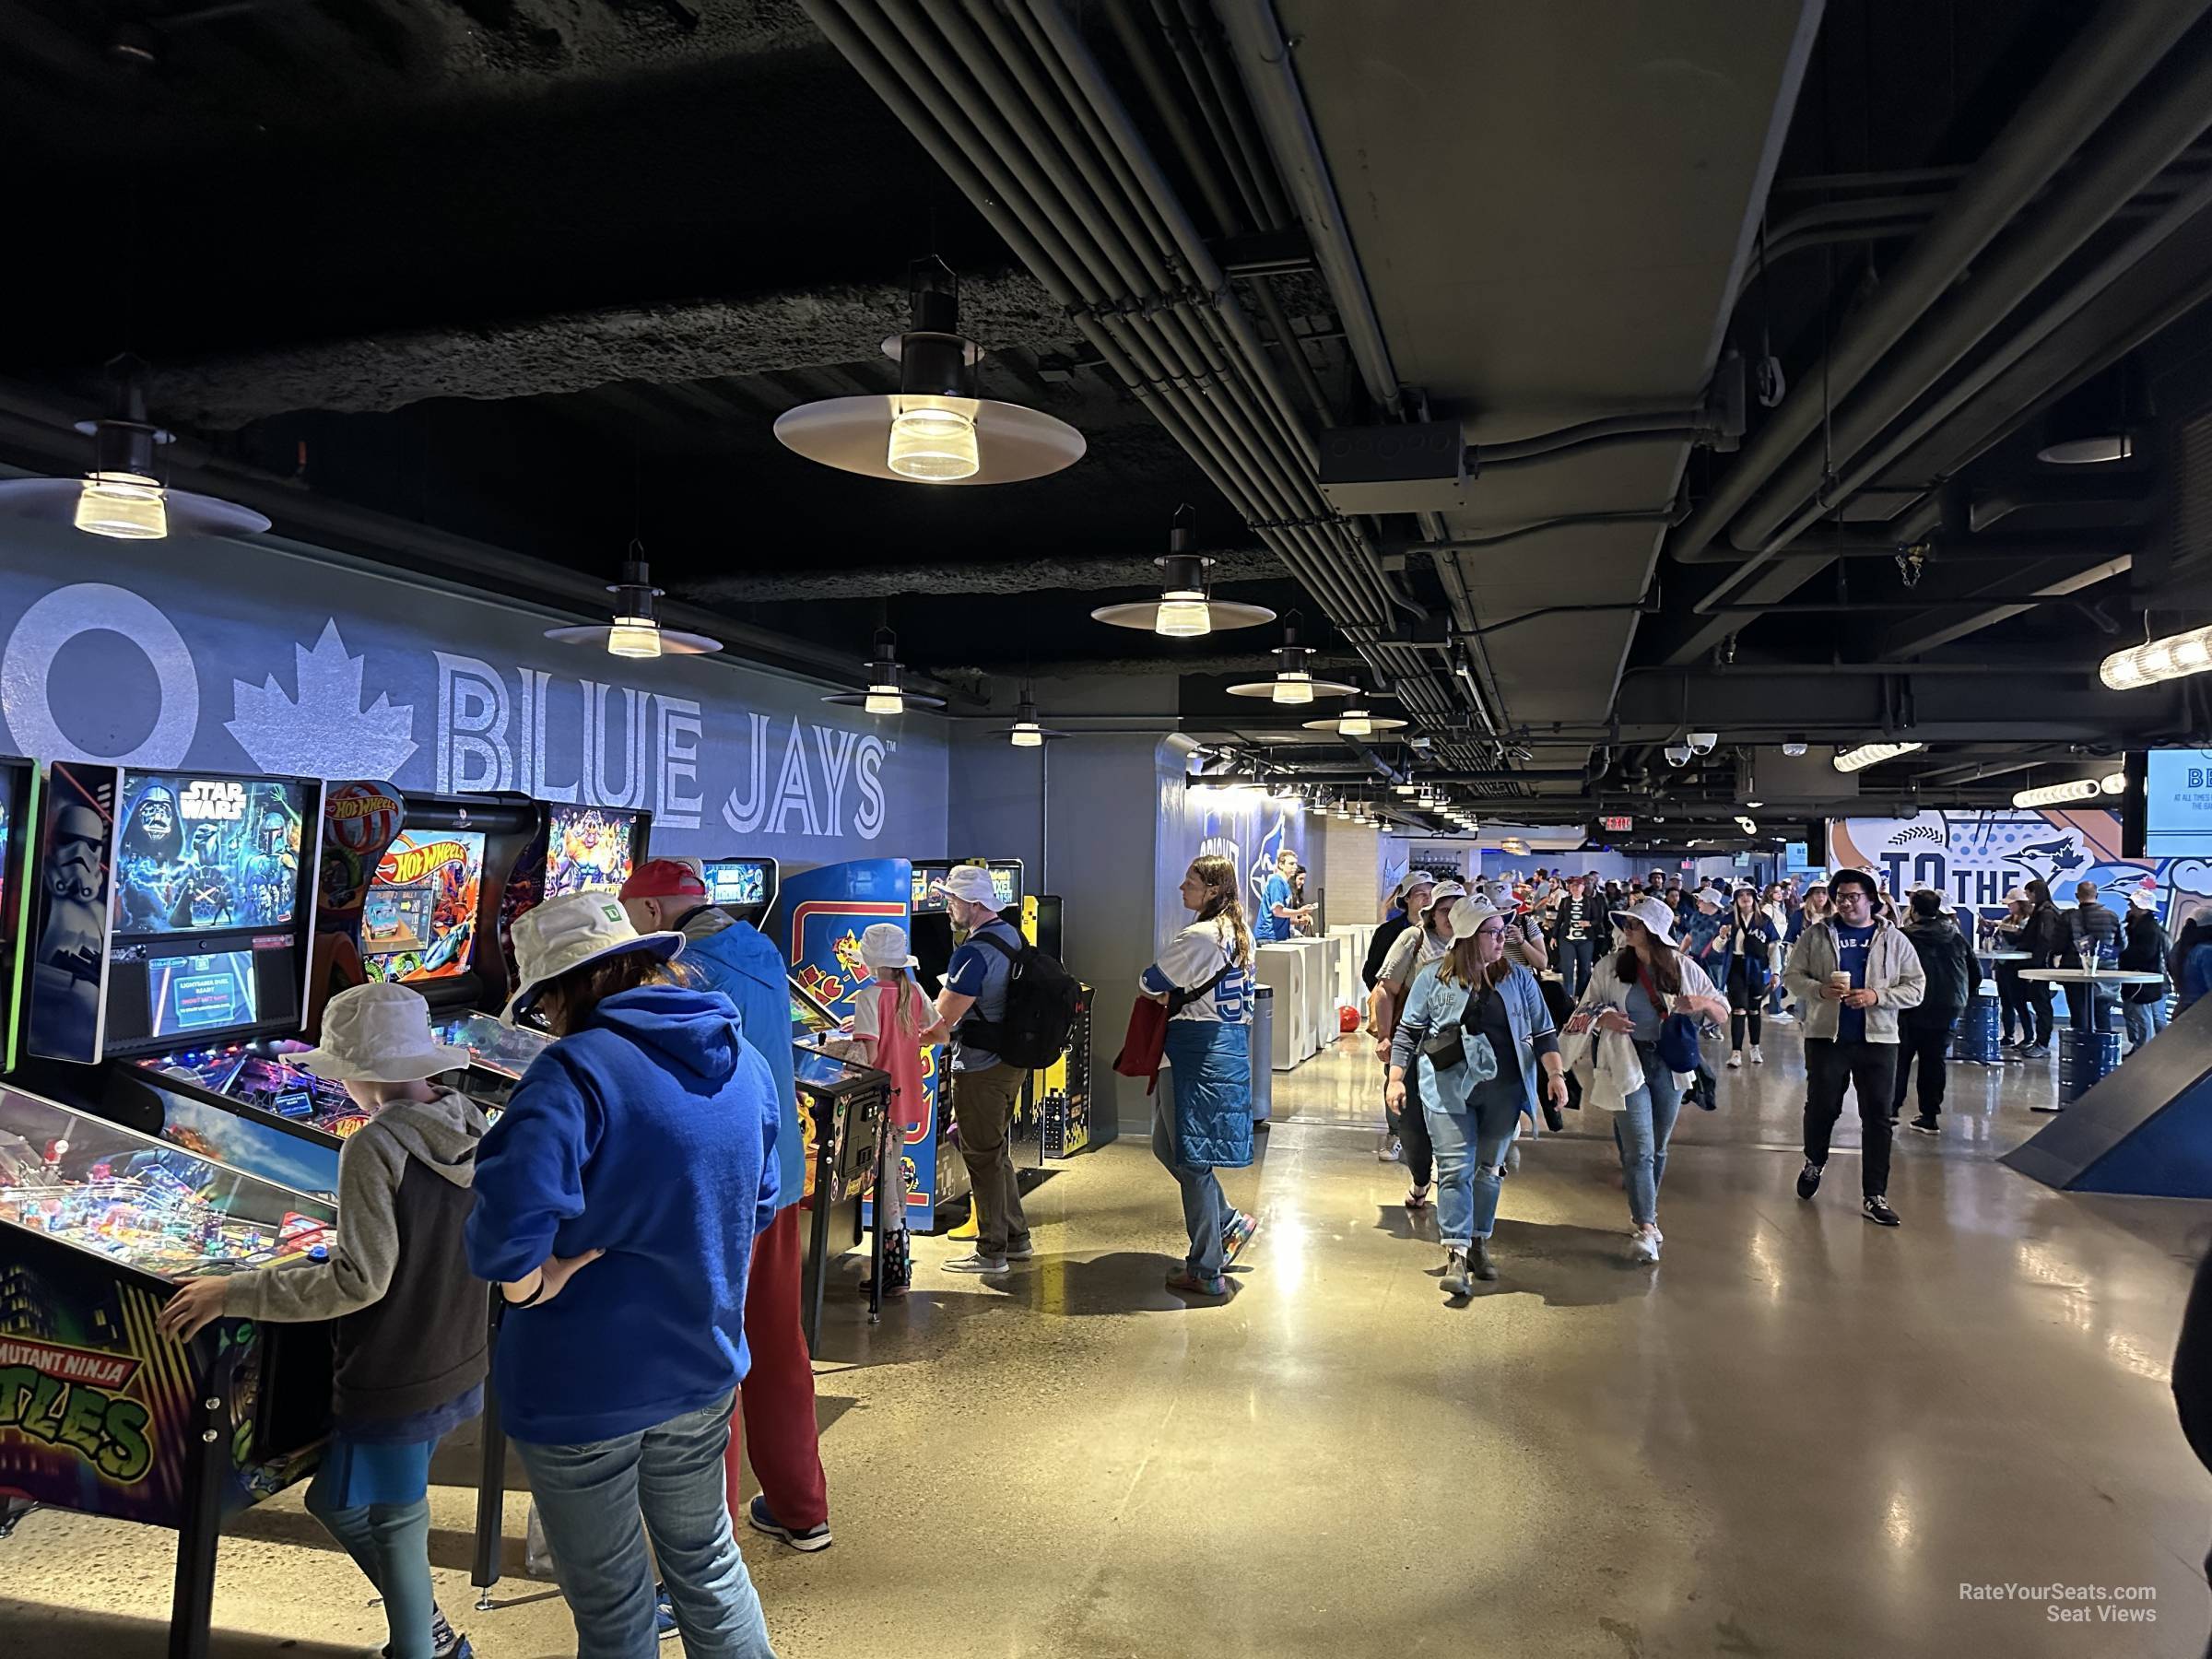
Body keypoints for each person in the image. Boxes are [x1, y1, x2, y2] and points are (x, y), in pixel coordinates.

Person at [465, 893, 780, 1658]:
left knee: (611, 1606)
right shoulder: (745, 1057)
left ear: (565, 988)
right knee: (708, 1565)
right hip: (701, 1364)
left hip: (583, 1385)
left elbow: (505, 1242)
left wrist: (535, 1282)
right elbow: (761, 1203)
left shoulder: (570, 1072)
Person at [159, 982, 487, 1659]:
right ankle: (428, 1628)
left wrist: (234, 1292)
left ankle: (419, 1648)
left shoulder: (374, 1148)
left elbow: (358, 1281)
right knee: (334, 1502)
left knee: (397, 1520)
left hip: (395, 1367)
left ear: (362, 1074)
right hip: (454, 1351)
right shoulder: (471, 1121)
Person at [618, 859, 831, 1557]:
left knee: (711, 1359)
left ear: (651, 913)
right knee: (776, 1344)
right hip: (779, 1172)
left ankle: (711, 1543)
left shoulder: (684, 971)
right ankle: (803, 1508)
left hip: (719, 1187)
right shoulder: (759, 947)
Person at [1386, 899, 1566, 1292]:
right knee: (1453, 1169)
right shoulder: (1433, 978)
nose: (1503, 939)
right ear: (1468, 936)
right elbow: (1408, 1031)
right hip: (1448, 1090)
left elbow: (1542, 1031)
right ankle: (1456, 1253)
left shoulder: (1519, 979)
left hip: (1503, 1092)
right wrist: (1396, 1078)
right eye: (1494, 933)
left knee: (1488, 1171)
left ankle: (1480, 1241)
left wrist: (1554, 1073)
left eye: (1504, 931)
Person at [1564, 896, 1727, 1263]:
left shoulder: (1684, 968)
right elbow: (1583, 1009)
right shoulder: (1609, 967)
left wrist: (1699, 1004)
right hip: (1625, 1061)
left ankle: (1645, 1213)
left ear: (1654, 932)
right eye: (1626, 923)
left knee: (1655, 1147)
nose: (1627, 929)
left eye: (1635, 924)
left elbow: (1722, 1012)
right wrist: (1604, 1017)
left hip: (1669, 1065)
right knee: (1639, 1147)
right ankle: (1646, 1226)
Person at [1140, 853, 1258, 1298]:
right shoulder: (1240, 934)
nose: (1181, 888)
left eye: (1190, 881)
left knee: (1192, 1161)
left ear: (1212, 889)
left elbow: (1151, 981)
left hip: (1195, 1054)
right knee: (1166, 1146)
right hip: (1223, 1049)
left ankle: (1207, 1266)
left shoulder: (1201, 936)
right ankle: (1227, 1220)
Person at [1783, 867, 1925, 1228]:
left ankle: (1874, 1194)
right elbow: (1792, 976)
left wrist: (1878, 995)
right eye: (1841, 896)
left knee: (1878, 1117)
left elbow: (1916, 987)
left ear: (1871, 899)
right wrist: (1818, 991)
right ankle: (1814, 1160)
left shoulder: (1894, 939)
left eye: (1854, 896)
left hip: (1878, 1040)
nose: (1846, 903)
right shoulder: (1816, 935)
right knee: (1822, 1107)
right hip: (1826, 1038)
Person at [932, 864, 1035, 1276]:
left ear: (972, 904)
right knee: (994, 1152)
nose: (947, 907)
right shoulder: (1011, 936)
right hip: (1011, 1062)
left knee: (982, 1156)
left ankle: (991, 1251)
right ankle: (1016, 1237)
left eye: (951, 899)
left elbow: (942, 1022)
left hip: (980, 1067)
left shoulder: (972, 953)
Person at [845, 923, 947, 1298]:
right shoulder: (914, 991)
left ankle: (894, 1272)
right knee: (894, 1175)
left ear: (872, 962)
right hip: (907, 1098)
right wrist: (907, 1039)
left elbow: (869, 1057)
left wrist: (850, 1046)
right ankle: (898, 1266)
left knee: (886, 1182)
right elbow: (941, 1034)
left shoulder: (869, 998)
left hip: (881, 1101)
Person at [1371, 880, 1465, 1209]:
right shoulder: (1415, 938)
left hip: (1460, 1052)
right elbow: (1385, 990)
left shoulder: (1474, 943)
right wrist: (1385, 1036)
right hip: (1414, 1043)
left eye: (1458, 909)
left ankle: (1451, 1180)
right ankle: (1421, 1178)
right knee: (1412, 1123)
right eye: (1444, 909)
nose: (1451, 916)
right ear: (1431, 914)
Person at [1891, 889, 1974, 1136]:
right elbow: (1974, 972)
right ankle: (1929, 1116)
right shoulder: (1956, 937)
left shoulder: (1903, 938)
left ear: (1913, 909)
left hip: (1910, 1006)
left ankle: (1891, 1110)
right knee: (1934, 1061)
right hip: (1947, 1007)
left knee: (1900, 1059)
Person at [1706, 885, 1779, 1068]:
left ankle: (1755, 1047)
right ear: (1735, 899)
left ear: (1755, 897)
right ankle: (1736, 1052)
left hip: (1757, 967)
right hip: (1736, 967)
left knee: (1754, 1009)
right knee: (1738, 1009)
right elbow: (1716, 948)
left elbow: (1773, 949)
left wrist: (1775, 972)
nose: (1745, 898)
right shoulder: (1729, 920)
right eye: (1741, 895)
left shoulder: (1764, 921)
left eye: (1748, 894)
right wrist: (1722, 937)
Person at [2018, 878, 2070, 1058]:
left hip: (2040, 966)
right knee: (2039, 1003)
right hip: (2038, 964)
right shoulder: (2043, 911)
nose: (2027, 897)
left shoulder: (2046, 913)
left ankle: (2042, 1043)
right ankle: (2040, 1041)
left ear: (2035, 892)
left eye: (2028, 893)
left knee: (2042, 1005)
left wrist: (2035, 966)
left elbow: (2045, 940)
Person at [2119, 886, 2172, 1054]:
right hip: (2143, 978)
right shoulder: (2141, 927)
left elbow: (2146, 954)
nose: (2130, 908)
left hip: (2145, 979)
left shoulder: (2148, 929)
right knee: (2139, 1014)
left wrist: (2125, 957)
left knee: (2145, 1016)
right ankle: (2143, 1048)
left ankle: (2145, 1050)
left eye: (2133, 905)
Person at [2068, 877, 2124, 1033]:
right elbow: (2123, 944)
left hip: (2077, 972)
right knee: (2103, 1013)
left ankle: (2081, 1050)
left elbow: (2059, 944)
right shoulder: (2112, 916)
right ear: (2097, 895)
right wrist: (2106, 956)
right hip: (2105, 973)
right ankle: (2103, 1051)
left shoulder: (2070, 917)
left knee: (2079, 1015)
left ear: (2077, 895)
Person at [1362, 870, 1434, 992]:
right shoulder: (1387, 931)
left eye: (1431, 894)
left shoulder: (1440, 931)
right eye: (1421, 894)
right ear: (1407, 898)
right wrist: (1388, 1001)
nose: (1428, 899)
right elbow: (1371, 973)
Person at [1991, 890, 2035, 1053]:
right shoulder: (2006, 920)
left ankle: (2029, 1036)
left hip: (2017, 965)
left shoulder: (2029, 922)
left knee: (2019, 1002)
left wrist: (2002, 927)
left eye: (2011, 903)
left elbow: (2020, 938)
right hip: (2003, 964)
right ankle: (2008, 1035)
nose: (2008, 906)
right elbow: (2000, 939)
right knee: (2006, 1002)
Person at [1548, 873, 1601, 1002]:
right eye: (1572, 886)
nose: (1575, 888)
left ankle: (1581, 996)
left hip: (1585, 939)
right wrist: (1554, 936)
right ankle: (1567, 997)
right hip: (1567, 938)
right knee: (1567, 968)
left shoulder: (1590, 901)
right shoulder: (1565, 901)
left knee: (1585, 969)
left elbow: (1598, 919)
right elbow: (1559, 919)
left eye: (1578, 886)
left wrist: (1589, 923)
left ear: (1583, 888)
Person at [1253, 846, 1311, 945]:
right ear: (1281, 865)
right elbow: (1277, 911)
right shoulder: (1276, 881)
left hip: (1278, 936)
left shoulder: (1285, 884)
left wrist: (1299, 921)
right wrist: (1300, 911)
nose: (1295, 867)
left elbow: (1283, 916)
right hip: (1268, 936)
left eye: (1296, 864)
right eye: (1291, 864)